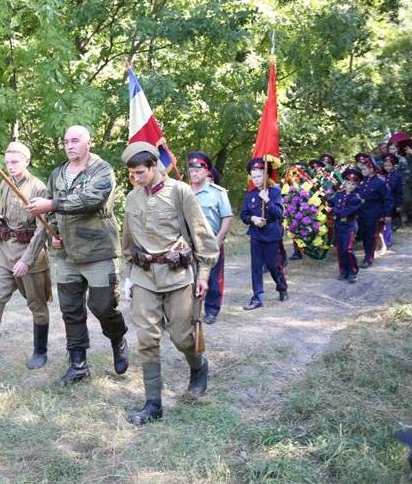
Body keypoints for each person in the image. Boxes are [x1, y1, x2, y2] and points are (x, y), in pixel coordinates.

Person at [120, 142, 219, 425]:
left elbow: (202, 236)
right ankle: (153, 404)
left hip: (177, 276)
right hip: (144, 276)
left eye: (140, 172)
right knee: (147, 338)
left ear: (154, 167)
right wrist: (128, 275)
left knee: (182, 337)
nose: (135, 179)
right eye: (131, 174)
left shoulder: (180, 192)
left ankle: (198, 366)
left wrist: (203, 276)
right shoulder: (131, 198)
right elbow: (127, 240)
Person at [25, 125, 129, 386]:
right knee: (71, 310)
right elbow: (48, 213)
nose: (69, 145)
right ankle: (78, 365)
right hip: (66, 256)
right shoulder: (57, 173)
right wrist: (54, 232)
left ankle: (118, 339)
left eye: (75, 141)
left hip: (98, 252)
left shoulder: (101, 170)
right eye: (65, 142)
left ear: (88, 143)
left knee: (103, 306)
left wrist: (52, 205)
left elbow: (91, 200)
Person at [0, 142, 52, 378]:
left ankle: (40, 351)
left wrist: (26, 260)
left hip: (31, 255)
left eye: (15, 162)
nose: (10, 167)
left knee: (37, 304)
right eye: (7, 162)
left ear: (26, 161)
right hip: (5, 252)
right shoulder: (5, 184)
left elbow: (43, 230)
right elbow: (1, 214)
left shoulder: (38, 188)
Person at [187, 151, 232, 324]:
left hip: (211, 242)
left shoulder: (218, 193)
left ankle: (212, 309)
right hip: (189, 243)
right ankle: (190, 309)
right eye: (191, 170)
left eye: (198, 170)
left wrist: (219, 239)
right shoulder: (184, 191)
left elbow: (227, 217)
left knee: (213, 276)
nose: (194, 173)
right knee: (189, 276)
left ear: (207, 171)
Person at [240, 158, 288, 310]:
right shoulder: (250, 195)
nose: (256, 180)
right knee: (256, 267)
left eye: (259, 176)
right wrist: (252, 218)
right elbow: (244, 215)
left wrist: (267, 200)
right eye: (253, 177)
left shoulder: (274, 193)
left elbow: (279, 213)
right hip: (256, 235)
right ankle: (257, 297)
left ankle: (282, 287)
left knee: (273, 266)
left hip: (272, 234)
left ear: (266, 175)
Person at [355, 153, 391, 268]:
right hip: (362, 212)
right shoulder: (362, 181)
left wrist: (387, 214)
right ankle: (368, 253)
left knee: (370, 235)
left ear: (372, 169)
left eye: (364, 169)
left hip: (373, 212)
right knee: (364, 234)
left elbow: (387, 199)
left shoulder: (380, 182)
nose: (362, 171)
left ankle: (368, 258)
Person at [330, 168, 363, 283]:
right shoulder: (339, 195)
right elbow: (330, 201)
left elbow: (344, 212)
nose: (350, 186)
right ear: (345, 183)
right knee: (340, 249)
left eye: (353, 184)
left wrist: (333, 210)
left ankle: (353, 271)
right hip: (339, 225)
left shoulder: (356, 198)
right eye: (348, 183)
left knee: (347, 249)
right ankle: (343, 270)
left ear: (356, 185)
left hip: (349, 225)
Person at [382, 153, 403, 241]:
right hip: (383, 201)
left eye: (389, 165)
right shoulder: (382, 174)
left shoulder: (397, 175)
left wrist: (398, 205)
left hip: (393, 200)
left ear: (393, 165)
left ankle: (388, 237)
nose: (387, 167)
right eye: (385, 165)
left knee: (391, 218)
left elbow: (399, 191)